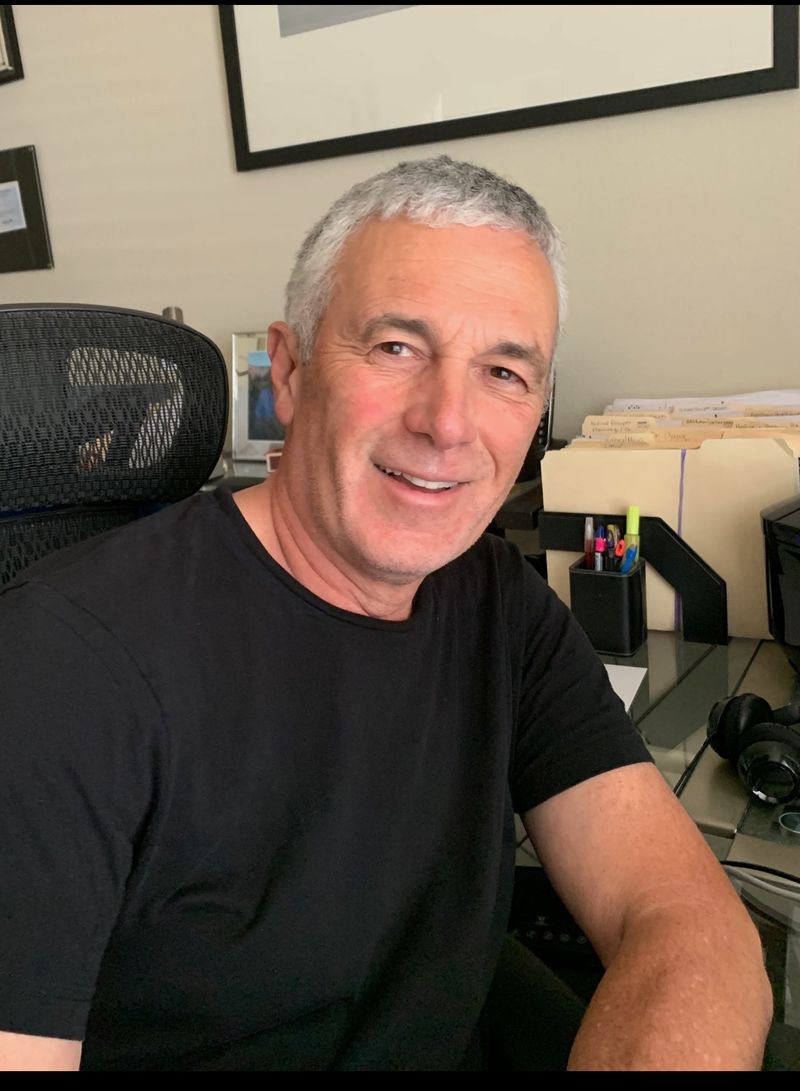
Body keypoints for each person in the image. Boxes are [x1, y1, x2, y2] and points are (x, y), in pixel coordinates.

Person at [0, 156, 772, 1072]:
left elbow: (684, 915)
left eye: (503, 371)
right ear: (288, 371)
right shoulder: (62, 665)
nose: (448, 422)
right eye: (397, 347)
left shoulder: (499, 602)